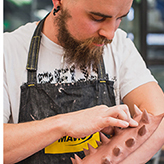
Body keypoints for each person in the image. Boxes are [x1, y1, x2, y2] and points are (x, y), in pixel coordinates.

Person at [3, 0, 164, 163]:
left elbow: (157, 120)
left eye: (119, 18)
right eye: (97, 18)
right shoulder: (7, 51)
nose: (110, 34)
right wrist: (65, 124)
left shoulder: (119, 46)